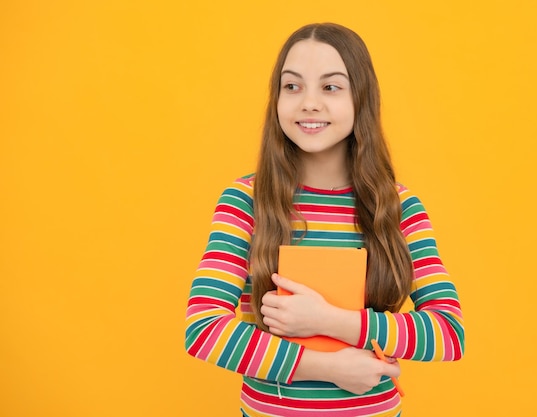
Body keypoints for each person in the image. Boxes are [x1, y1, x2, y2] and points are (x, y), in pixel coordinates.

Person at [185, 22, 464, 417]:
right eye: (292, 86)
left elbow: (448, 334)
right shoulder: (246, 199)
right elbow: (204, 329)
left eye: (330, 87)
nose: (308, 103)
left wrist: (331, 321)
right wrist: (329, 368)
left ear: (360, 99)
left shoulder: (399, 207)